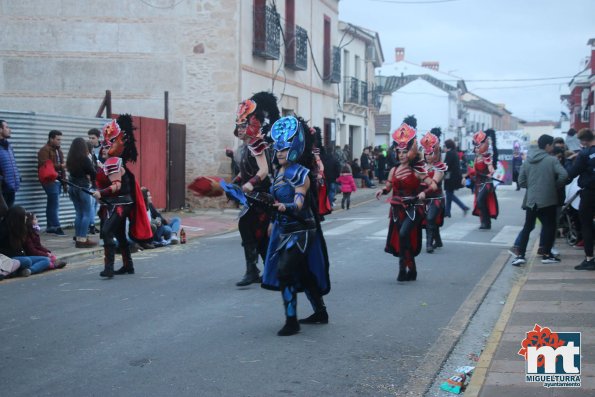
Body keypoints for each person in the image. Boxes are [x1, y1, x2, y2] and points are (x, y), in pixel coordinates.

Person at [262, 115, 331, 336]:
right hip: (284, 229)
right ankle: (320, 311)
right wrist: (273, 219)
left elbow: (299, 204)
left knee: (285, 272)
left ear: (294, 148)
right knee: (304, 271)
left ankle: (291, 321)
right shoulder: (277, 173)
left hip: (301, 230)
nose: (280, 152)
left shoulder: (301, 174)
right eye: (277, 149)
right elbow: (275, 200)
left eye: (284, 149)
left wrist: (284, 207)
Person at [375, 119, 437, 282]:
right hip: (396, 210)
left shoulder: (417, 170)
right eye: (399, 152)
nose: (401, 155)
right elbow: (388, 186)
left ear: (411, 152)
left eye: (404, 152)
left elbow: (432, 185)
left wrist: (424, 192)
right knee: (402, 239)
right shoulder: (394, 170)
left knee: (404, 235)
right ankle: (405, 270)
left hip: (413, 209)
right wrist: (382, 190)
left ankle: (410, 268)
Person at [91, 115, 152, 278]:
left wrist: (101, 193)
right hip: (115, 203)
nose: (103, 149)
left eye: (106, 145)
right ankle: (128, 265)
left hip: (119, 204)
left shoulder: (114, 162)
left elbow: (116, 186)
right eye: (102, 146)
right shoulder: (108, 163)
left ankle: (109, 268)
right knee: (118, 234)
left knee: (106, 231)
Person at [232, 92, 280, 286]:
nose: (240, 129)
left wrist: (250, 182)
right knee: (251, 232)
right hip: (251, 197)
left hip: (261, 196)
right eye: (239, 125)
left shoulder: (257, 143)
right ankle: (256, 269)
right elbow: (245, 171)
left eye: (244, 125)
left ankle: (262, 270)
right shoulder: (244, 148)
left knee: (256, 232)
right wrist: (235, 183)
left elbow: (264, 170)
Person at [510, 134, 568, 266]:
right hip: (548, 200)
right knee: (549, 226)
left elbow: (521, 181)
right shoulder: (551, 160)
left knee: (528, 227)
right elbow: (564, 175)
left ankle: (521, 255)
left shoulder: (528, 160)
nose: (553, 147)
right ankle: (547, 254)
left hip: (531, 200)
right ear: (547, 146)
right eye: (552, 145)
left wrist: (531, 188)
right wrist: (553, 186)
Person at [566, 128, 595, 270]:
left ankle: (589, 258)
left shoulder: (584, 154)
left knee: (586, 224)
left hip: (590, 193)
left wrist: (569, 162)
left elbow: (572, 173)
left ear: (583, 141)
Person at [0, 206, 51, 276]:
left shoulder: (20, 228)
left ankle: (28, 271)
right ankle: (15, 271)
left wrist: (46, 253)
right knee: (27, 261)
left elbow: (31, 247)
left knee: (46, 260)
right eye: (24, 216)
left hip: (22, 257)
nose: (26, 218)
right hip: (9, 259)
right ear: (18, 217)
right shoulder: (3, 231)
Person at [66, 137, 98, 248]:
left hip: (72, 187)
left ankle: (78, 237)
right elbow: (93, 172)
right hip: (83, 188)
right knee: (86, 213)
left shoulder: (70, 158)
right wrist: (91, 178)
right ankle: (82, 239)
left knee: (79, 213)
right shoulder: (84, 159)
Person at [420, 129, 447, 253]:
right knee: (428, 221)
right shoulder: (421, 167)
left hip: (436, 199)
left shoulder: (439, 167)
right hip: (424, 199)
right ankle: (439, 240)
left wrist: (424, 192)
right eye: (426, 153)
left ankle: (429, 244)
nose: (428, 156)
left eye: (430, 153)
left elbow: (434, 184)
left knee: (430, 219)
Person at [37, 130, 67, 235]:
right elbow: (45, 165)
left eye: (60, 139)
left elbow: (62, 167)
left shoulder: (58, 151)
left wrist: (64, 181)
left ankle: (50, 226)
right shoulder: (44, 150)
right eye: (58, 139)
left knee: (52, 203)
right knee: (54, 203)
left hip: (57, 180)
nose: (59, 142)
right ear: (51, 139)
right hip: (49, 180)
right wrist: (60, 166)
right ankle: (56, 226)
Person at [468, 130, 499, 230]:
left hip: (486, 182)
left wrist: (490, 173)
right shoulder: (476, 158)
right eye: (475, 147)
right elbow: (472, 170)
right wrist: (466, 177)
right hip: (478, 183)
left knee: (480, 200)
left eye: (478, 146)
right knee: (480, 202)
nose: (476, 149)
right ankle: (485, 222)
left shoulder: (487, 157)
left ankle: (486, 222)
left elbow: (491, 168)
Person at [443, 139, 469, 217]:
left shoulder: (449, 153)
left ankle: (463, 207)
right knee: (449, 194)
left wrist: (441, 170)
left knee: (449, 194)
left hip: (450, 177)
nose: (443, 147)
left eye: (444, 146)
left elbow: (446, 165)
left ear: (448, 146)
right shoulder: (454, 153)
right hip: (455, 176)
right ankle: (447, 212)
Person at [0, 119, 21, 207]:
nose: (10, 130)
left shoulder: (8, 146)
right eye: (7, 127)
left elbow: (12, 164)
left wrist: (18, 177)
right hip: (2, 189)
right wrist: (2, 180)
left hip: (11, 187)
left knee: (8, 217)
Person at [87, 129, 102, 234]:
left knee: (97, 203)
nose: (91, 140)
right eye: (89, 138)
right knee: (92, 203)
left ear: (98, 138)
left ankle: (92, 224)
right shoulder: (88, 149)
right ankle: (91, 225)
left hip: (101, 177)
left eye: (93, 138)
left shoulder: (103, 148)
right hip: (92, 179)